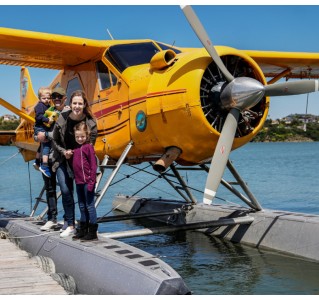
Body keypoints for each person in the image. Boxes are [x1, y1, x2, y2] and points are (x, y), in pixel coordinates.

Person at [37, 90, 97, 238]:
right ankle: (70, 224)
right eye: (74, 103)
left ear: (84, 105)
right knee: (65, 190)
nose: (77, 106)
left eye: (80, 103)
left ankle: (89, 227)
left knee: (85, 197)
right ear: (70, 104)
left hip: (81, 163)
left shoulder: (91, 122)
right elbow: (55, 140)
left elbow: (90, 145)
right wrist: (64, 152)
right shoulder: (62, 118)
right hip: (63, 159)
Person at [39, 87, 69, 231]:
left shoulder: (68, 112)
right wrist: (36, 136)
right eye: (54, 96)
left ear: (65, 98)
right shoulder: (48, 111)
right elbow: (38, 131)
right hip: (47, 158)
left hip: (61, 158)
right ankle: (52, 218)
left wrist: (47, 136)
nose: (56, 98)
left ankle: (68, 220)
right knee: (50, 189)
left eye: (59, 96)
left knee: (65, 189)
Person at [71, 121, 98, 240]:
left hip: (88, 182)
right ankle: (83, 229)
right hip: (79, 182)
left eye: (82, 136)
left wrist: (92, 181)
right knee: (81, 206)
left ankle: (92, 232)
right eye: (77, 137)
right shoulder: (76, 149)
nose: (80, 139)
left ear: (87, 135)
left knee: (90, 206)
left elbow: (93, 165)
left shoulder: (89, 147)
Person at [33, 87, 54, 177]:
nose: (46, 100)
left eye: (48, 98)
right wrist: (47, 120)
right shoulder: (40, 106)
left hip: (43, 127)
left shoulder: (48, 106)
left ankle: (37, 161)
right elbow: (38, 116)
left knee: (41, 145)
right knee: (46, 144)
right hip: (40, 127)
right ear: (40, 98)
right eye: (44, 98)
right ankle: (44, 166)